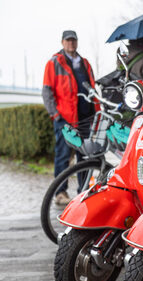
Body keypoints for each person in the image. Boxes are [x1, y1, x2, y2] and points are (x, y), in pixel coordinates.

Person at [42, 30, 96, 206]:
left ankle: (84, 191)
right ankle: (60, 193)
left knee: (85, 155)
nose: (71, 43)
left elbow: (93, 88)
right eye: (68, 40)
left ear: (77, 42)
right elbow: (47, 91)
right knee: (63, 156)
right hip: (65, 119)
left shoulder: (85, 63)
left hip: (85, 118)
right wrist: (55, 115)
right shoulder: (54, 62)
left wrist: (96, 111)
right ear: (62, 42)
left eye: (73, 40)